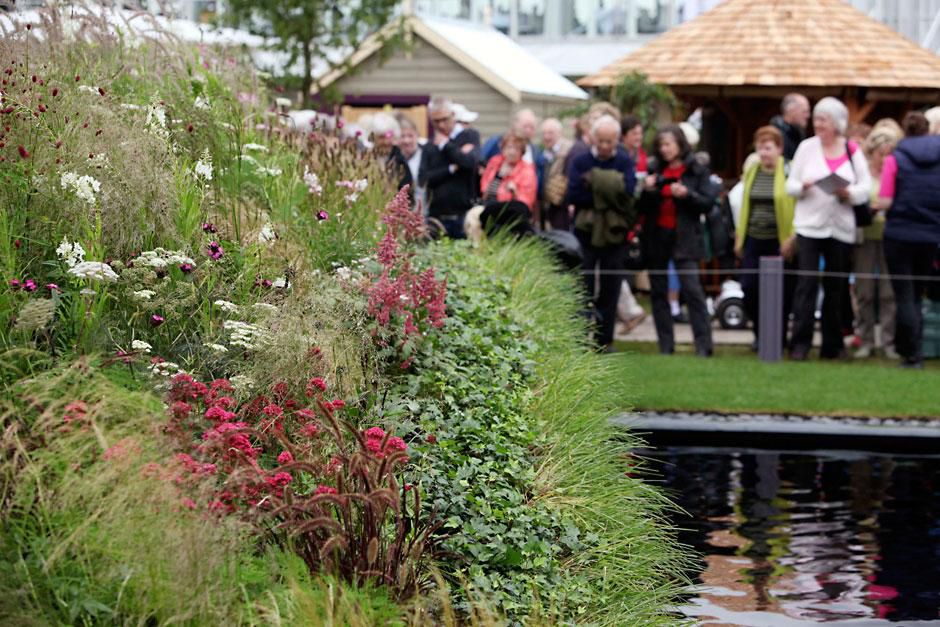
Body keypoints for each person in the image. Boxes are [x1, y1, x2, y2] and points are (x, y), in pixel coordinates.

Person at [785, 97, 871, 360]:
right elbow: (790, 185)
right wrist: (805, 186)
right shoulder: (806, 148)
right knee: (806, 285)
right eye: (816, 119)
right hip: (810, 227)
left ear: (837, 124)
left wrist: (849, 193)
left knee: (836, 287)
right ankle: (800, 344)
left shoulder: (851, 150)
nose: (817, 124)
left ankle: (833, 346)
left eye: (823, 120)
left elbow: (865, 187)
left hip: (841, 227)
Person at [638, 124, 717, 357]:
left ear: (680, 144)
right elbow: (641, 207)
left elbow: (708, 202)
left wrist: (687, 195)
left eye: (668, 144)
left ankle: (703, 345)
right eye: (661, 145)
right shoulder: (654, 169)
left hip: (685, 237)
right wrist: (648, 190)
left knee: (692, 290)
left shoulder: (696, 169)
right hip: (658, 236)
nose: (664, 149)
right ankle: (665, 345)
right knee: (659, 292)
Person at [565, 115, 637, 351]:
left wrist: (594, 182)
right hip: (585, 234)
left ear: (617, 140)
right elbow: (573, 195)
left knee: (611, 286)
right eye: (602, 141)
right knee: (582, 285)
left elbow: (627, 193)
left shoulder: (625, 161)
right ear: (594, 138)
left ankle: (604, 341)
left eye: (610, 141)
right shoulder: (580, 160)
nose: (605, 146)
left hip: (614, 235)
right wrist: (609, 189)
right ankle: (579, 339)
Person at [877, 110, 940, 368]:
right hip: (930, 235)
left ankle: (912, 354)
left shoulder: (895, 158)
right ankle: (915, 351)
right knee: (918, 293)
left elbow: (885, 201)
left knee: (905, 295)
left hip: (899, 234)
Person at [734, 126, 797, 351]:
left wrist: (792, 237)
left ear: (779, 149)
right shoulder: (752, 170)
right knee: (749, 289)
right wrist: (740, 236)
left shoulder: (790, 170)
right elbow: (744, 205)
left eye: (768, 148)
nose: (764, 153)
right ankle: (761, 333)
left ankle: (778, 338)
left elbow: (797, 206)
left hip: (779, 240)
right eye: (760, 148)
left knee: (782, 293)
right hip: (754, 239)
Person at [853, 122, 901, 359]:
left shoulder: (896, 173)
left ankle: (889, 342)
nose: (884, 159)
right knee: (864, 291)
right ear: (871, 153)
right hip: (865, 237)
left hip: (890, 237)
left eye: (889, 154)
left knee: (888, 292)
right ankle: (866, 340)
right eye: (880, 154)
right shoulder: (861, 175)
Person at [420, 97, 481, 238]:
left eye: (445, 119)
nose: (441, 125)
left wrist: (446, 145)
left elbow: (469, 163)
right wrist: (451, 168)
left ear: (453, 115)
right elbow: (424, 179)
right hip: (437, 216)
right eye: (436, 121)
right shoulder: (429, 146)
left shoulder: (469, 136)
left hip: (464, 213)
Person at [479, 129, 538, 213]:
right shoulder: (494, 162)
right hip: (489, 210)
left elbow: (527, 202)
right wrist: (499, 176)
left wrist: (515, 192)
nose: (512, 152)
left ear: (522, 152)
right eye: (509, 147)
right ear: (503, 148)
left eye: (517, 148)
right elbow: (484, 187)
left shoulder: (527, 170)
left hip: (510, 214)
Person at [538, 118, 572, 229]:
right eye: (544, 133)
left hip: (563, 205)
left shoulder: (568, 151)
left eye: (550, 133)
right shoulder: (544, 153)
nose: (546, 137)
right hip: (547, 204)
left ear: (560, 133)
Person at [394, 113, 427, 212]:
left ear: (417, 135)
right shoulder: (393, 159)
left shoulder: (425, 155)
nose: (406, 140)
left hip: (423, 211)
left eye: (410, 136)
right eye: (402, 136)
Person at [370, 112, 411, 192]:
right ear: (374, 138)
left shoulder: (400, 159)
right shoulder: (367, 158)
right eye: (381, 137)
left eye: (389, 137)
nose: (386, 142)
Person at [771, 93, 811, 161]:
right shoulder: (774, 135)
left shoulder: (798, 133)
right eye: (804, 112)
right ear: (791, 111)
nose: (808, 116)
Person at [620, 114, 649, 179]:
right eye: (634, 133)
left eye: (640, 133)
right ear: (623, 136)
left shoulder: (643, 154)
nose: (639, 137)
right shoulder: (617, 155)